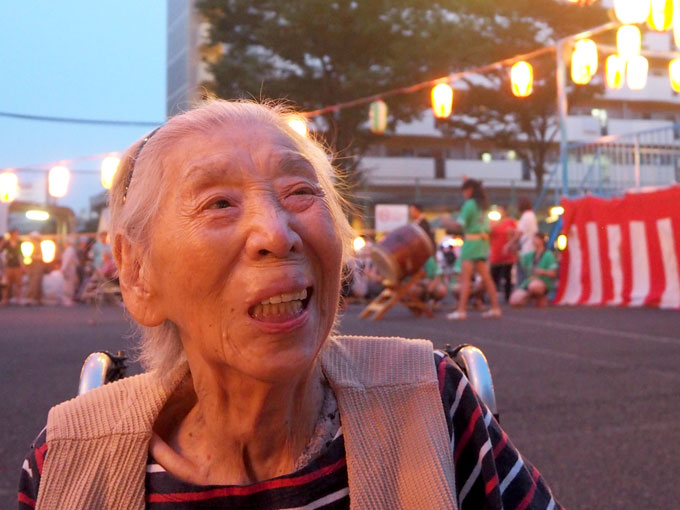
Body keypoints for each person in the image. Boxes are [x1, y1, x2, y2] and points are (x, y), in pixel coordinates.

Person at [19, 100, 561, 510]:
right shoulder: (67, 461)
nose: (277, 233)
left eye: (300, 192)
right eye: (219, 203)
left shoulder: (433, 404)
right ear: (137, 272)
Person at [447, 178, 502, 320]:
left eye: (464, 191)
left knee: (465, 278)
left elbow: (459, 225)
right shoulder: (482, 205)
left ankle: (461, 310)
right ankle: (495, 308)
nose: (464, 194)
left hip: (471, 242)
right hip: (482, 243)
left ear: (469, 190)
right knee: (487, 277)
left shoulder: (469, 204)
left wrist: (446, 222)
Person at [510, 233, 559, 308]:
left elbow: (553, 274)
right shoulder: (530, 255)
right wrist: (514, 242)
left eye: (536, 238)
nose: (533, 241)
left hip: (543, 283)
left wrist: (542, 272)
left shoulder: (549, 255)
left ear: (542, 240)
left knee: (534, 286)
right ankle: (531, 298)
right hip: (530, 282)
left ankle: (541, 297)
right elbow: (518, 259)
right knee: (514, 301)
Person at [489, 205, 517, 303]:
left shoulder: (510, 221)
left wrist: (511, 234)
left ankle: (508, 296)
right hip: (496, 253)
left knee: (507, 276)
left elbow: (516, 233)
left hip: (507, 254)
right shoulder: (492, 222)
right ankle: (492, 297)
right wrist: (497, 223)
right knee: (493, 277)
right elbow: (488, 232)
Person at [512, 197, 538, 285]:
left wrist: (509, 243)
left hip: (526, 248)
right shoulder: (532, 215)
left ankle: (522, 292)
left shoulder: (525, 216)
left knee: (524, 274)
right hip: (531, 247)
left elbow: (520, 232)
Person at [1, 229, 23, 305]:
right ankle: (5, 299)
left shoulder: (19, 243)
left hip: (17, 266)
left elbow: (21, 255)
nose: (16, 235)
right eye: (15, 234)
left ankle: (18, 299)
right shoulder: (6, 244)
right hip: (8, 266)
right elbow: (3, 254)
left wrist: (22, 265)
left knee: (18, 284)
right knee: (6, 284)